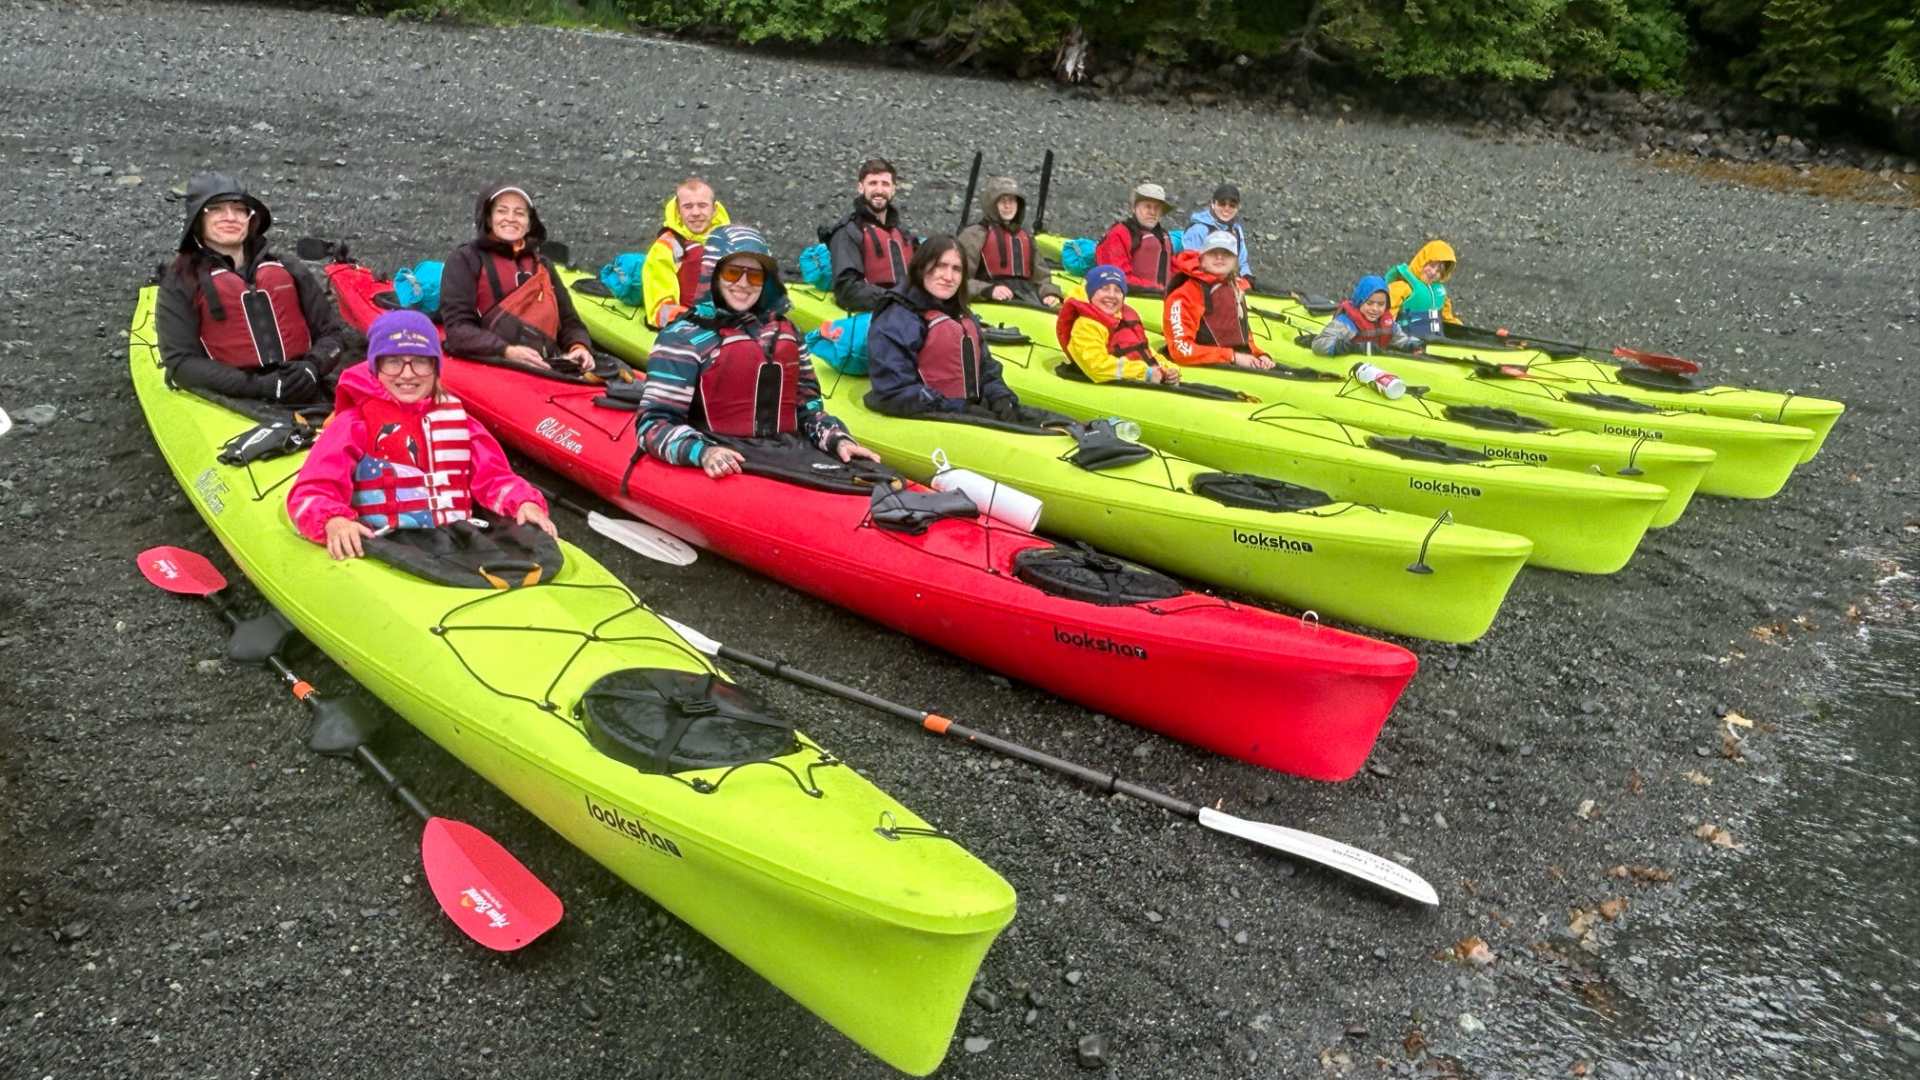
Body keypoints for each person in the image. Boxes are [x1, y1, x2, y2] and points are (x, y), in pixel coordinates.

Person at [287, 309, 555, 561]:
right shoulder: (352, 425)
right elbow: (314, 491)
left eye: (420, 362)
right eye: (393, 362)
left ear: (435, 368)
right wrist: (333, 521)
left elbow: (495, 478)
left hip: (453, 543)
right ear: (375, 367)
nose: (407, 374)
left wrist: (523, 502)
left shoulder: (463, 424)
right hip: (383, 546)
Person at [638, 225, 881, 479]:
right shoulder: (682, 337)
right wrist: (703, 452)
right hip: (721, 453)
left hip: (783, 451)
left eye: (754, 276)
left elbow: (807, 407)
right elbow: (653, 424)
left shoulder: (786, 332)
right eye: (733, 272)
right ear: (713, 274)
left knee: (885, 482)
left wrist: (836, 439)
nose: (743, 284)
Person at [155, 172, 348, 403]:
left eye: (239, 210)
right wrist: (261, 386)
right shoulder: (181, 280)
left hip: (301, 382)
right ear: (198, 219)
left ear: (250, 219)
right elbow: (180, 363)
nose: (230, 217)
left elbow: (332, 334)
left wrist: (313, 366)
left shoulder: (288, 268)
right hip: (232, 394)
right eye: (216, 209)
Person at [865, 236, 1030, 419]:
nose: (948, 277)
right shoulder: (897, 319)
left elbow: (987, 370)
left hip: (962, 410)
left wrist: (1000, 397)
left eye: (956, 269)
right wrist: (960, 409)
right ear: (921, 267)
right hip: (929, 417)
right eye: (940, 266)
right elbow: (894, 390)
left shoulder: (961, 315)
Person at [438, 182, 595, 373]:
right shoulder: (465, 259)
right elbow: (457, 329)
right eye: (502, 211)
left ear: (529, 224)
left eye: (519, 213)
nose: (511, 219)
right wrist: (507, 351)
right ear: (488, 218)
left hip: (543, 362)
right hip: (493, 361)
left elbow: (570, 322)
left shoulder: (543, 265)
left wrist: (579, 347)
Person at [1163, 231, 1274, 370]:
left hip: (1232, 360)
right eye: (1213, 253)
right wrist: (1231, 356)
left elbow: (1243, 335)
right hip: (1204, 367)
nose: (1219, 257)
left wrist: (1259, 355)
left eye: (1226, 253)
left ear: (1235, 261)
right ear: (1202, 258)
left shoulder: (1234, 287)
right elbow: (1181, 350)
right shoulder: (1185, 295)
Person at [1054, 265, 1178, 385]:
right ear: (1091, 293)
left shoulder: (1122, 317)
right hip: (1118, 382)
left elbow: (1145, 351)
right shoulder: (1086, 326)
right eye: (1104, 288)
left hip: (1140, 377)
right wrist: (1144, 372)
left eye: (1117, 290)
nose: (1111, 295)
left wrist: (1168, 368)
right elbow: (1096, 366)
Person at [823, 158, 915, 313]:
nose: (879, 190)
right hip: (872, 313)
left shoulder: (904, 234)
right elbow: (847, 290)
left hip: (904, 310)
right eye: (873, 183)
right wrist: (896, 300)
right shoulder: (848, 232)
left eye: (885, 184)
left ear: (893, 189)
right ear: (860, 188)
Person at [955, 175, 1061, 309]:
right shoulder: (974, 235)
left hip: (1028, 298)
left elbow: (1042, 277)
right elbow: (958, 279)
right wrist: (987, 289)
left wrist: (1048, 293)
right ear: (991, 205)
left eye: (1011, 201)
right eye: (1001, 201)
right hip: (988, 299)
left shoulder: (1025, 237)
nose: (1007, 206)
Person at [641, 176, 731, 329]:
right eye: (688, 206)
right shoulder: (666, 247)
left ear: (714, 209)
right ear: (678, 210)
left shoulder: (731, 240)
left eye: (702, 205)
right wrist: (696, 321)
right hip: (690, 322)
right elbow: (660, 308)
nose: (695, 212)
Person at [1093, 182, 1174, 294]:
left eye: (1157, 208)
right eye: (1147, 206)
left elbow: (1173, 270)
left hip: (1162, 299)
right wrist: (1155, 288)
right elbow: (1116, 276)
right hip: (1131, 297)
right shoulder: (1120, 233)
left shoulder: (1164, 236)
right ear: (1134, 208)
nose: (1152, 212)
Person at [1313, 275, 1424, 356]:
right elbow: (1318, 345)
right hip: (1353, 368)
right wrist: (1353, 347)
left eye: (1381, 304)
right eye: (1369, 303)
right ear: (1359, 302)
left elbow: (1400, 339)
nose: (1375, 309)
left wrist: (1411, 345)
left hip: (1377, 366)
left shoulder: (1389, 324)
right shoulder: (1346, 324)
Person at [1384, 240, 1461, 340]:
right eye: (1432, 265)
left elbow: (1448, 319)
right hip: (1407, 342)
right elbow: (1387, 314)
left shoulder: (1440, 294)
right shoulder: (1402, 287)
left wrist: (1463, 331)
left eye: (1439, 271)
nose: (1433, 272)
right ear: (1422, 261)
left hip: (1434, 341)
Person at [1181, 183, 1253, 288]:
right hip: (1200, 285)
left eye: (1232, 205)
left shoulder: (1237, 230)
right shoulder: (1198, 229)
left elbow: (1242, 262)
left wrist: (1247, 278)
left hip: (1231, 284)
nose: (1227, 208)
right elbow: (1191, 264)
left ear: (1238, 208)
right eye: (1222, 204)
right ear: (1213, 204)